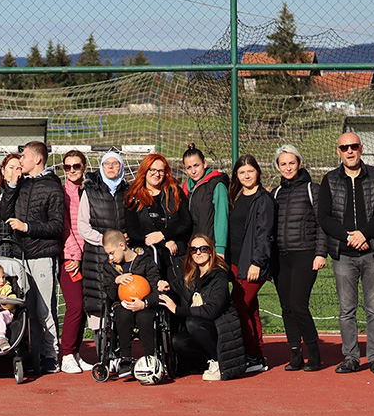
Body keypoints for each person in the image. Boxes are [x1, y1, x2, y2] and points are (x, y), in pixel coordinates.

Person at [318, 132, 374, 375]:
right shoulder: (329, 180)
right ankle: (350, 357)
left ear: (361, 149)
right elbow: (324, 217)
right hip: (344, 254)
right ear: (338, 151)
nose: (349, 151)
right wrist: (348, 236)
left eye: (353, 146)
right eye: (344, 147)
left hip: (373, 252)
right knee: (346, 309)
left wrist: (365, 234)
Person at [1, 140, 65, 372]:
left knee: (44, 309)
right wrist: (10, 186)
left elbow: (57, 226)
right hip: (20, 256)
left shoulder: (52, 187)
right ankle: (32, 354)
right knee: (23, 307)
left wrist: (27, 227)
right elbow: (4, 214)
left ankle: (50, 355)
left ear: (37, 159)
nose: (21, 160)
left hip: (42, 256)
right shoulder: (20, 184)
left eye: (25, 155)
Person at [158, 233, 247, 381]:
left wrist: (177, 310)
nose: (198, 252)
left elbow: (212, 311)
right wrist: (163, 285)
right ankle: (207, 361)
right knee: (176, 341)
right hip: (203, 329)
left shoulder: (219, 276)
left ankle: (220, 362)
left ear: (211, 251)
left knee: (193, 322)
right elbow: (174, 288)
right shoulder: (191, 276)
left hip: (221, 330)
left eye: (203, 248)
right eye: (194, 250)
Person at [272, 145, 328, 371]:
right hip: (280, 257)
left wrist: (320, 253)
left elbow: (322, 224)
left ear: (299, 163)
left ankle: (313, 351)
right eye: (283, 164)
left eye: (291, 163)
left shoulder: (312, 189)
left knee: (298, 304)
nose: (287, 167)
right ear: (277, 167)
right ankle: (295, 353)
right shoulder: (275, 193)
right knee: (286, 307)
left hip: (305, 254)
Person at [226, 154, 274, 373]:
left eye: (250, 171)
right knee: (250, 308)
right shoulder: (234, 196)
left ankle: (252, 354)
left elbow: (265, 234)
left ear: (258, 172)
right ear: (236, 175)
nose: (246, 175)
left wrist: (257, 262)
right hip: (235, 262)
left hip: (252, 263)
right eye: (242, 172)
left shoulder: (264, 199)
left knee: (238, 306)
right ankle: (257, 354)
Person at [101, 230, 161, 378]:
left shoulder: (145, 261)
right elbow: (110, 294)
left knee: (145, 318)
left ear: (122, 245)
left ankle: (149, 359)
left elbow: (155, 287)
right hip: (122, 304)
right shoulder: (110, 267)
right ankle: (125, 358)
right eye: (108, 254)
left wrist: (145, 303)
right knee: (122, 315)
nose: (111, 257)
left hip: (144, 303)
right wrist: (116, 281)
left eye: (112, 253)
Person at [124, 153, 192, 283]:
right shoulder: (133, 196)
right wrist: (162, 242)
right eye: (153, 170)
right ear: (145, 170)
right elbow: (133, 231)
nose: (157, 174)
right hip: (148, 259)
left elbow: (185, 222)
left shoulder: (174, 192)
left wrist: (164, 234)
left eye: (161, 170)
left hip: (175, 257)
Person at [78, 151, 127, 322]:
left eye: (115, 164)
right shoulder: (90, 191)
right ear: (101, 167)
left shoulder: (129, 191)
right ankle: (100, 343)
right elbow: (83, 225)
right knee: (97, 301)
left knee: (123, 300)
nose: (111, 167)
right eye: (107, 164)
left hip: (123, 255)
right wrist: (106, 242)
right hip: (96, 254)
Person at [58, 150, 92, 374]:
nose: (72, 170)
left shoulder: (90, 190)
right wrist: (75, 256)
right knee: (75, 305)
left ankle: (77, 353)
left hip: (92, 256)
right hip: (71, 258)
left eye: (76, 166)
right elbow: (65, 228)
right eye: (67, 167)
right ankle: (66, 354)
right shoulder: (61, 193)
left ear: (84, 167)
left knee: (86, 306)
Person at [181, 145, 229, 257]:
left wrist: (220, 248)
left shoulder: (216, 185)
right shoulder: (186, 188)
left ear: (205, 163)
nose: (193, 171)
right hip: (194, 248)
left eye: (196, 165)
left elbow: (222, 217)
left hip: (211, 247)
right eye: (189, 167)